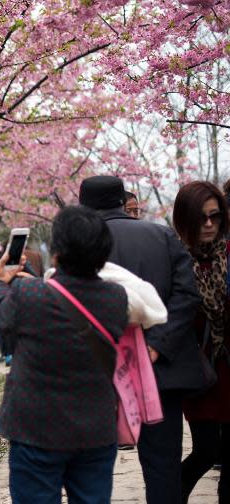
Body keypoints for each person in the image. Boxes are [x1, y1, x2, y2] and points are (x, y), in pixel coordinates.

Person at [0, 205, 129, 503]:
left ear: (57, 253)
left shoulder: (31, 295)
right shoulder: (116, 298)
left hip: (35, 431)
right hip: (95, 431)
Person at [79, 175, 203, 504]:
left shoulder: (78, 244)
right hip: (159, 372)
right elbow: (188, 296)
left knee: (87, 468)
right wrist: (157, 344)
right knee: (163, 467)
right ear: (123, 201)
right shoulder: (161, 235)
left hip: (97, 376)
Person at [172, 181, 230, 503]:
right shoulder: (176, 260)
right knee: (206, 450)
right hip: (199, 372)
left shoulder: (229, 254)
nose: (209, 225)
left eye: (215, 217)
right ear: (185, 220)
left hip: (228, 367)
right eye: (202, 218)